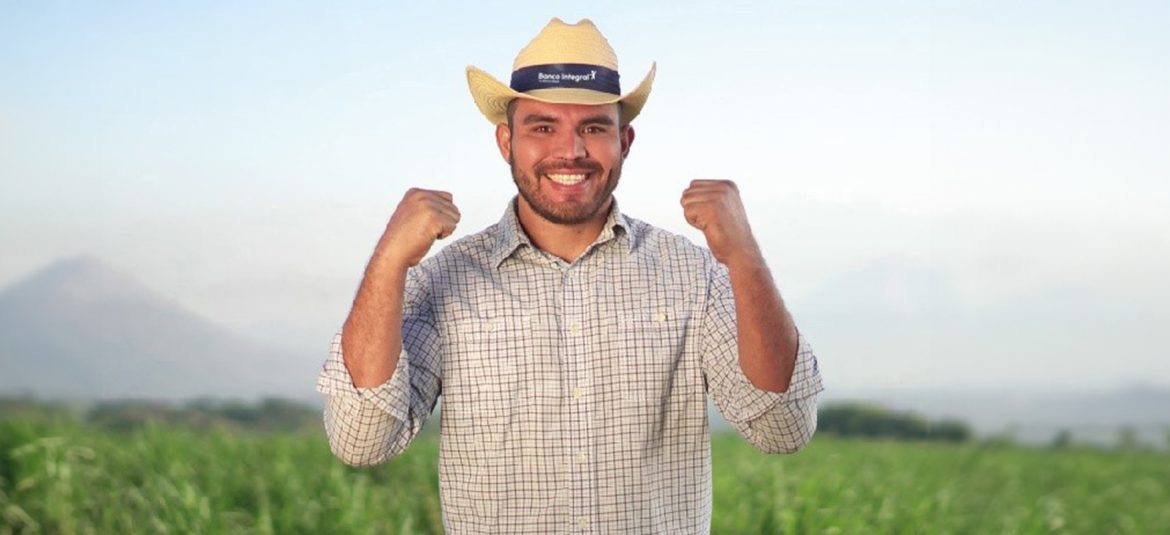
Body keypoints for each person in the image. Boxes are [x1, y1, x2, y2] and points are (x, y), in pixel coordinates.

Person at [317, 17, 824, 534]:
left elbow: (782, 429)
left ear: (624, 141)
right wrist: (388, 261)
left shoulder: (695, 273)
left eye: (593, 127)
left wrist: (743, 256)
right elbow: (361, 441)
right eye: (542, 127)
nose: (572, 151)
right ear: (505, 141)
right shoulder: (443, 280)